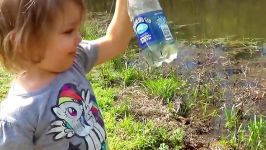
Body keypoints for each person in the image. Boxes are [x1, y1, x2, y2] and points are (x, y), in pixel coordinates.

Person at [0, 0, 133, 149]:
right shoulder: (16, 119)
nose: (79, 38)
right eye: (68, 31)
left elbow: (115, 41)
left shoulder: (75, 60)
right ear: (25, 42)